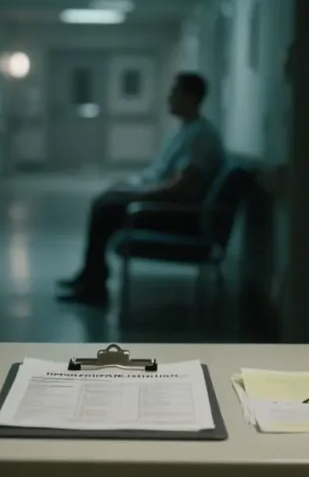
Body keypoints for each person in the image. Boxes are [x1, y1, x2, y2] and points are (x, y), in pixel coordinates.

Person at [57, 72, 226, 304]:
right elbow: (161, 176)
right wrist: (130, 187)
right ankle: (91, 276)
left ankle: (94, 284)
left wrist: (138, 196)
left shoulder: (201, 136)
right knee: (106, 199)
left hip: (178, 215)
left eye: (174, 93)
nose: (169, 98)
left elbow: (182, 189)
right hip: (165, 203)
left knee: (105, 208)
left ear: (190, 97)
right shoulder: (186, 131)